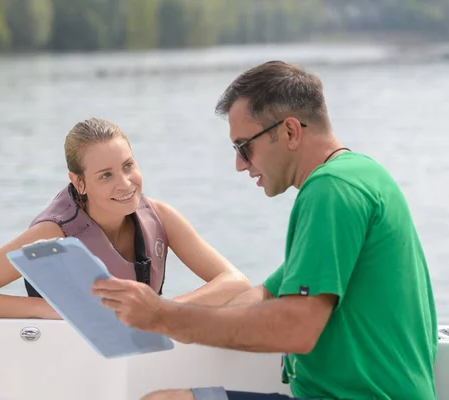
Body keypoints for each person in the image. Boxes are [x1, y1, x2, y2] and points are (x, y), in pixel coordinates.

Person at [92, 61, 438, 400]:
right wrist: (168, 319)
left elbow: (297, 328)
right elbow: (268, 295)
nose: (240, 164)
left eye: (244, 147)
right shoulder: (360, 175)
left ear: (290, 131)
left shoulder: (330, 189)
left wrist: (166, 318)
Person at [0, 117, 251, 319]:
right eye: (106, 175)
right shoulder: (53, 232)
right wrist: (52, 310)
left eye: (128, 166)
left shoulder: (161, 217)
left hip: (137, 356)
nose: (124, 184)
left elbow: (235, 282)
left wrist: (164, 310)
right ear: (79, 182)